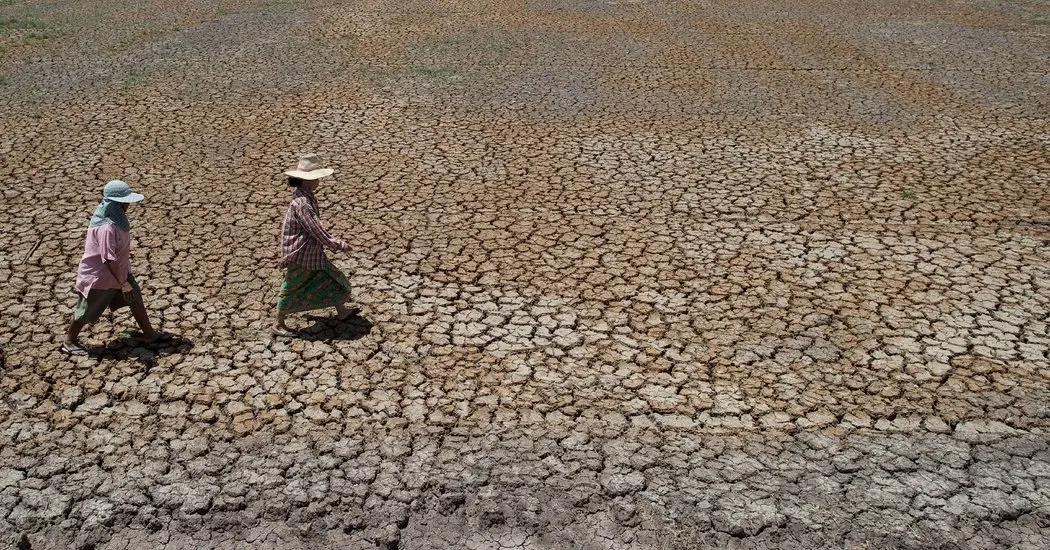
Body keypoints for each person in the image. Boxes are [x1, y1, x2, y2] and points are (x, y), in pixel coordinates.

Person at [63, 180, 170, 355]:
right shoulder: (107, 227)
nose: (128, 204)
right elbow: (107, 259)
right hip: (100, 278)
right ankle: (70, 340)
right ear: (116, 203)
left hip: (120, 273)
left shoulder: (115, 217)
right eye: (125, 201)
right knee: (86, 311)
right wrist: (123, 283)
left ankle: (150, 334)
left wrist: (125, 279)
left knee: (135, 300)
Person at [274, 154, 356, 336]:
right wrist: (338, 244)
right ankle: (279, 323)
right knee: (291, 287)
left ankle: (341, 311)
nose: (319, 181)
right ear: (306, 181)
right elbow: (316, 230)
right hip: (302, 253)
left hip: (311, 252)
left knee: (329, 277)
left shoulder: (306, 197)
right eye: (317, 178)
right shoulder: (302, 203)